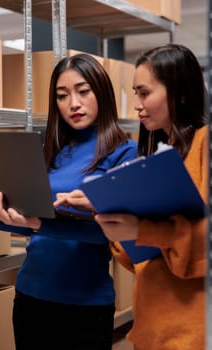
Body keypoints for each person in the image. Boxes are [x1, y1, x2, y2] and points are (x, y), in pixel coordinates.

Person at [53, 44, 208, 350]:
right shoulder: (164, 153)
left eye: (144, 93)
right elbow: (140, 258)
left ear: (180, 92)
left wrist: (142, 230)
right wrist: (106, 208)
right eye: (135, 93)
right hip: (153, 327)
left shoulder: (204, 144)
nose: (136, 104)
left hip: (191, 330)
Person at [0, 53, 138, 350]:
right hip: (31, 296)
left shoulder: (124, 153)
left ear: (101, 91)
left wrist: (40, 224)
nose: (73, 104)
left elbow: (110, 231)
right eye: (62, 96)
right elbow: (34, 220)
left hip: (85, 304)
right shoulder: (50, 151)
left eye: (83, 91)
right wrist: (1, 216)